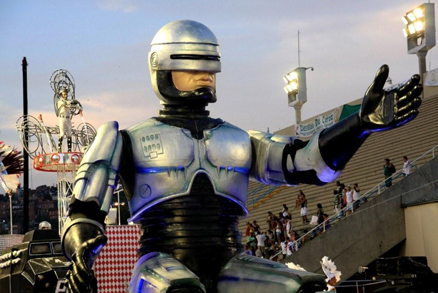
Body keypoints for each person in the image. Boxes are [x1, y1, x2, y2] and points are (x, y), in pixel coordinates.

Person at [61, 20, 422, 293]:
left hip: (232, 262)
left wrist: (358, 124)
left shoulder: (237, 138)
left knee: (305, 287)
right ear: (164, 69)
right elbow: (83, 211)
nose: (205, 76)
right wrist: (81, 254)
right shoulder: (127, 138)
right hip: (161, 263)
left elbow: (309, 164)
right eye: (193, 67)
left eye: (209, 68)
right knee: (180, 290)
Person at [56, 88, 82, 152]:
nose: (66, 96)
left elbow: (71, 105)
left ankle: (69, 149)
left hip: (68, 119)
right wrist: (73, 102)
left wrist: (78, 107)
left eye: (66, 94)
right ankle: (59, 148)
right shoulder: (60, 101)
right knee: (61, 134)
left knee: (69, 134)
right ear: (61, 95)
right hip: (62, 118)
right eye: (64, 94)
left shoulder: (68, 102)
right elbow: (67, 104)